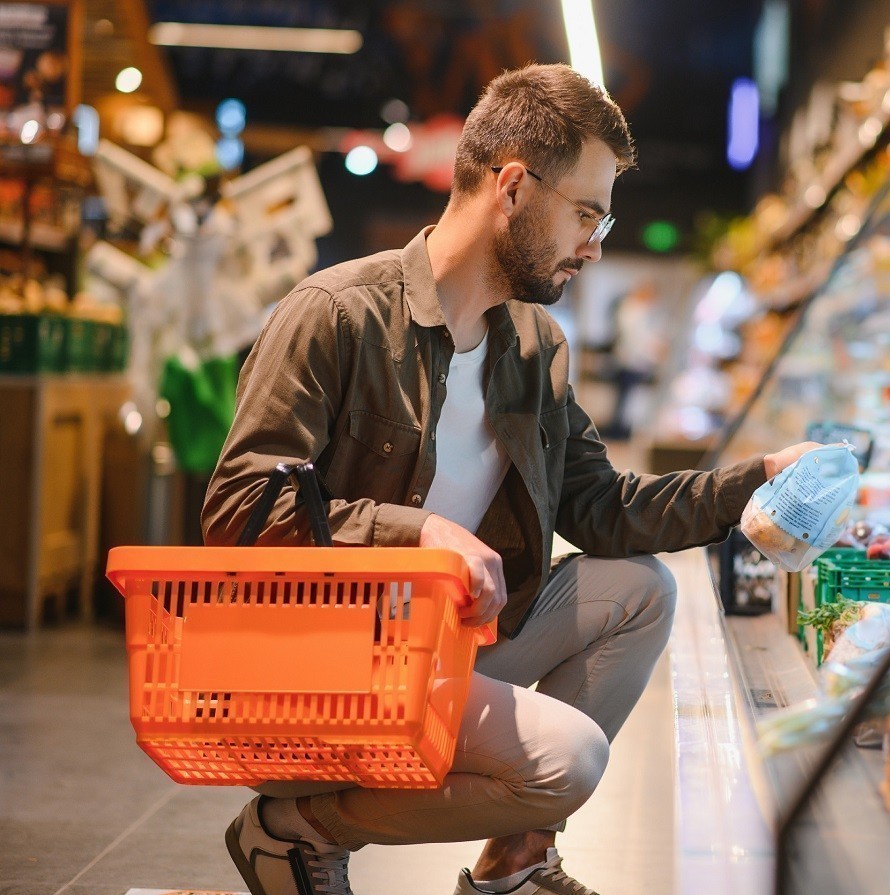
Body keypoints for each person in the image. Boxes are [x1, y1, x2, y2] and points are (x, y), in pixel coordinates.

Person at [202, 62, 817, 895]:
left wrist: (760, 480)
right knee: (571, 761)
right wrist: (417, 530)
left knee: (638, 590)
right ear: (516, 187)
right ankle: (296, 829)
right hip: (336, 662)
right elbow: (241, 506)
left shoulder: (533, 347)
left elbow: (602, 510)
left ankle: (515, 866)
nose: (595, 244)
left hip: (440, 647)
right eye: (587, 213)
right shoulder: (337, 312)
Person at [606, 279, 664, 440]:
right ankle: (619, 431)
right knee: (625, 399)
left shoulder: (633, 310)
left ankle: (620, 429)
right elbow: (636, 340)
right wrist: (652, 355)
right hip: (630, 362)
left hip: (631, 360)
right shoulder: (634, 311)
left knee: (625, 399)